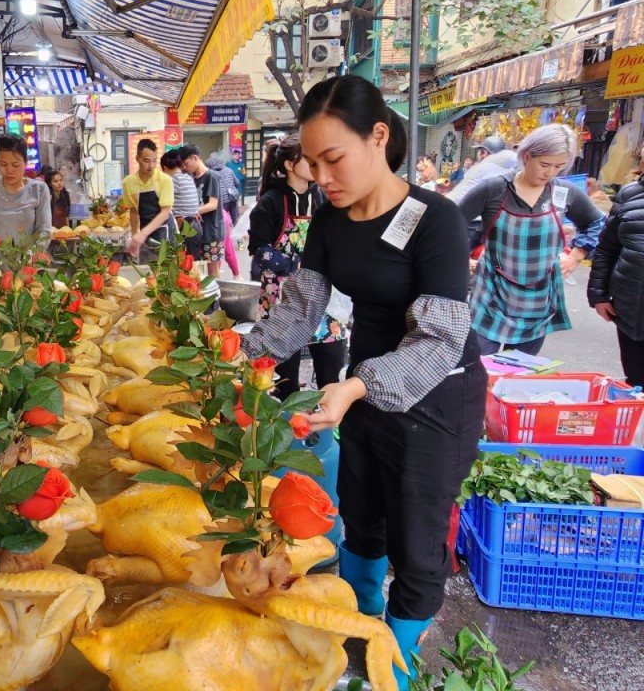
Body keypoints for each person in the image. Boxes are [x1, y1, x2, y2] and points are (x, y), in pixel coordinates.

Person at [242, 75, 486, 690]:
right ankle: (359, 632)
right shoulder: (331, 220)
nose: (322, 176)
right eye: (312, 162)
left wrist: (354, 387)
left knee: (417, 535)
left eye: (334, 158)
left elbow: (438, 339)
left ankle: (394, 671)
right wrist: (245, 357)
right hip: (368, 383)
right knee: (361, 511)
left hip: (435, 392)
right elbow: (301, 307)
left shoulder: (437, 221)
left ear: (379, 137)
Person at [456, 124, 604, 355]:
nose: (550, 173)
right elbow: (450, 223)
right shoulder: (494, 189)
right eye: (544, 164)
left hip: (538, 299)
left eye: (558, 166)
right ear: (527, 156)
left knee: (519, 373)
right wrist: (458, 258)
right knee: (481, 369)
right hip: (491, 294)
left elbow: (597, 223)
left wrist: (576, 256)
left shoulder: (564, 193)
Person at [248, 135, 347, 395]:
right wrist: (298, 264)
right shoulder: (269, 202)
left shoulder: (323, 199)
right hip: (284, 300)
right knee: (285, 382)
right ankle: (288, 431)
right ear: (290, 165)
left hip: (324, 301)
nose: (317, 165)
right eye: (309, 159)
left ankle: (327, 432)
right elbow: (260, 253)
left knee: (332, 374)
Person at [588, 176, 644, 386]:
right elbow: (606, 249)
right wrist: (599, 295)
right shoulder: (630, 194)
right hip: (631, 310)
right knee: (636, 382)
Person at [0, 134, 51, 261]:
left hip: (29, 267)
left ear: (25, 162)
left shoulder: (39, 190)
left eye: (15, 165)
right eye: (3, 164)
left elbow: (45, 230)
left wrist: (32, 255)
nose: (9, 170)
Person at [448, 135, 518, 251]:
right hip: (498, 227)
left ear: (484, 153)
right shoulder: (511, 170)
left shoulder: (481, 169)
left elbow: (459, 196)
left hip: (473, 225)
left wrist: (440, 204)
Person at [122, 139, 174, 263]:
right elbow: (134, 211)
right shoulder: (128, 182)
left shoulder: (164, 180)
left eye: (154, 160)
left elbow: (165, 212)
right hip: (145, 232)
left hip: (165, 232)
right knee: (147, 274)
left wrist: (143, 234)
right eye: (146, 161)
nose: (151, 165)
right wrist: (135, 236)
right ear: (137, 158)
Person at [180, 144, 225, 278]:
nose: (184, 167)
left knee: (212, 269)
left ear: (195, 158)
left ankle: (216, 297)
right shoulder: (191, 179)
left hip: (212, 231)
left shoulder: (211, 176)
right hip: (196, 232)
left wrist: (190, 210)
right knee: (195, 268)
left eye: (186, 163)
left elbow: (212, 204)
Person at [161, 150, 198, 229]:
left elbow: (161, 202)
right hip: (194, 224)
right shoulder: (188, 177)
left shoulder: (173, 179)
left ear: (165, 168)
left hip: (181, 226)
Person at [207, 155, 241, 225]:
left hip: (222, 201)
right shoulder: (229, 170)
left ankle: (226, 235)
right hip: (233, 198)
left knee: (223, 221)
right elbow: (237, 182)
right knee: (236, 220)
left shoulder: (211, 174)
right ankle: (238, 234)